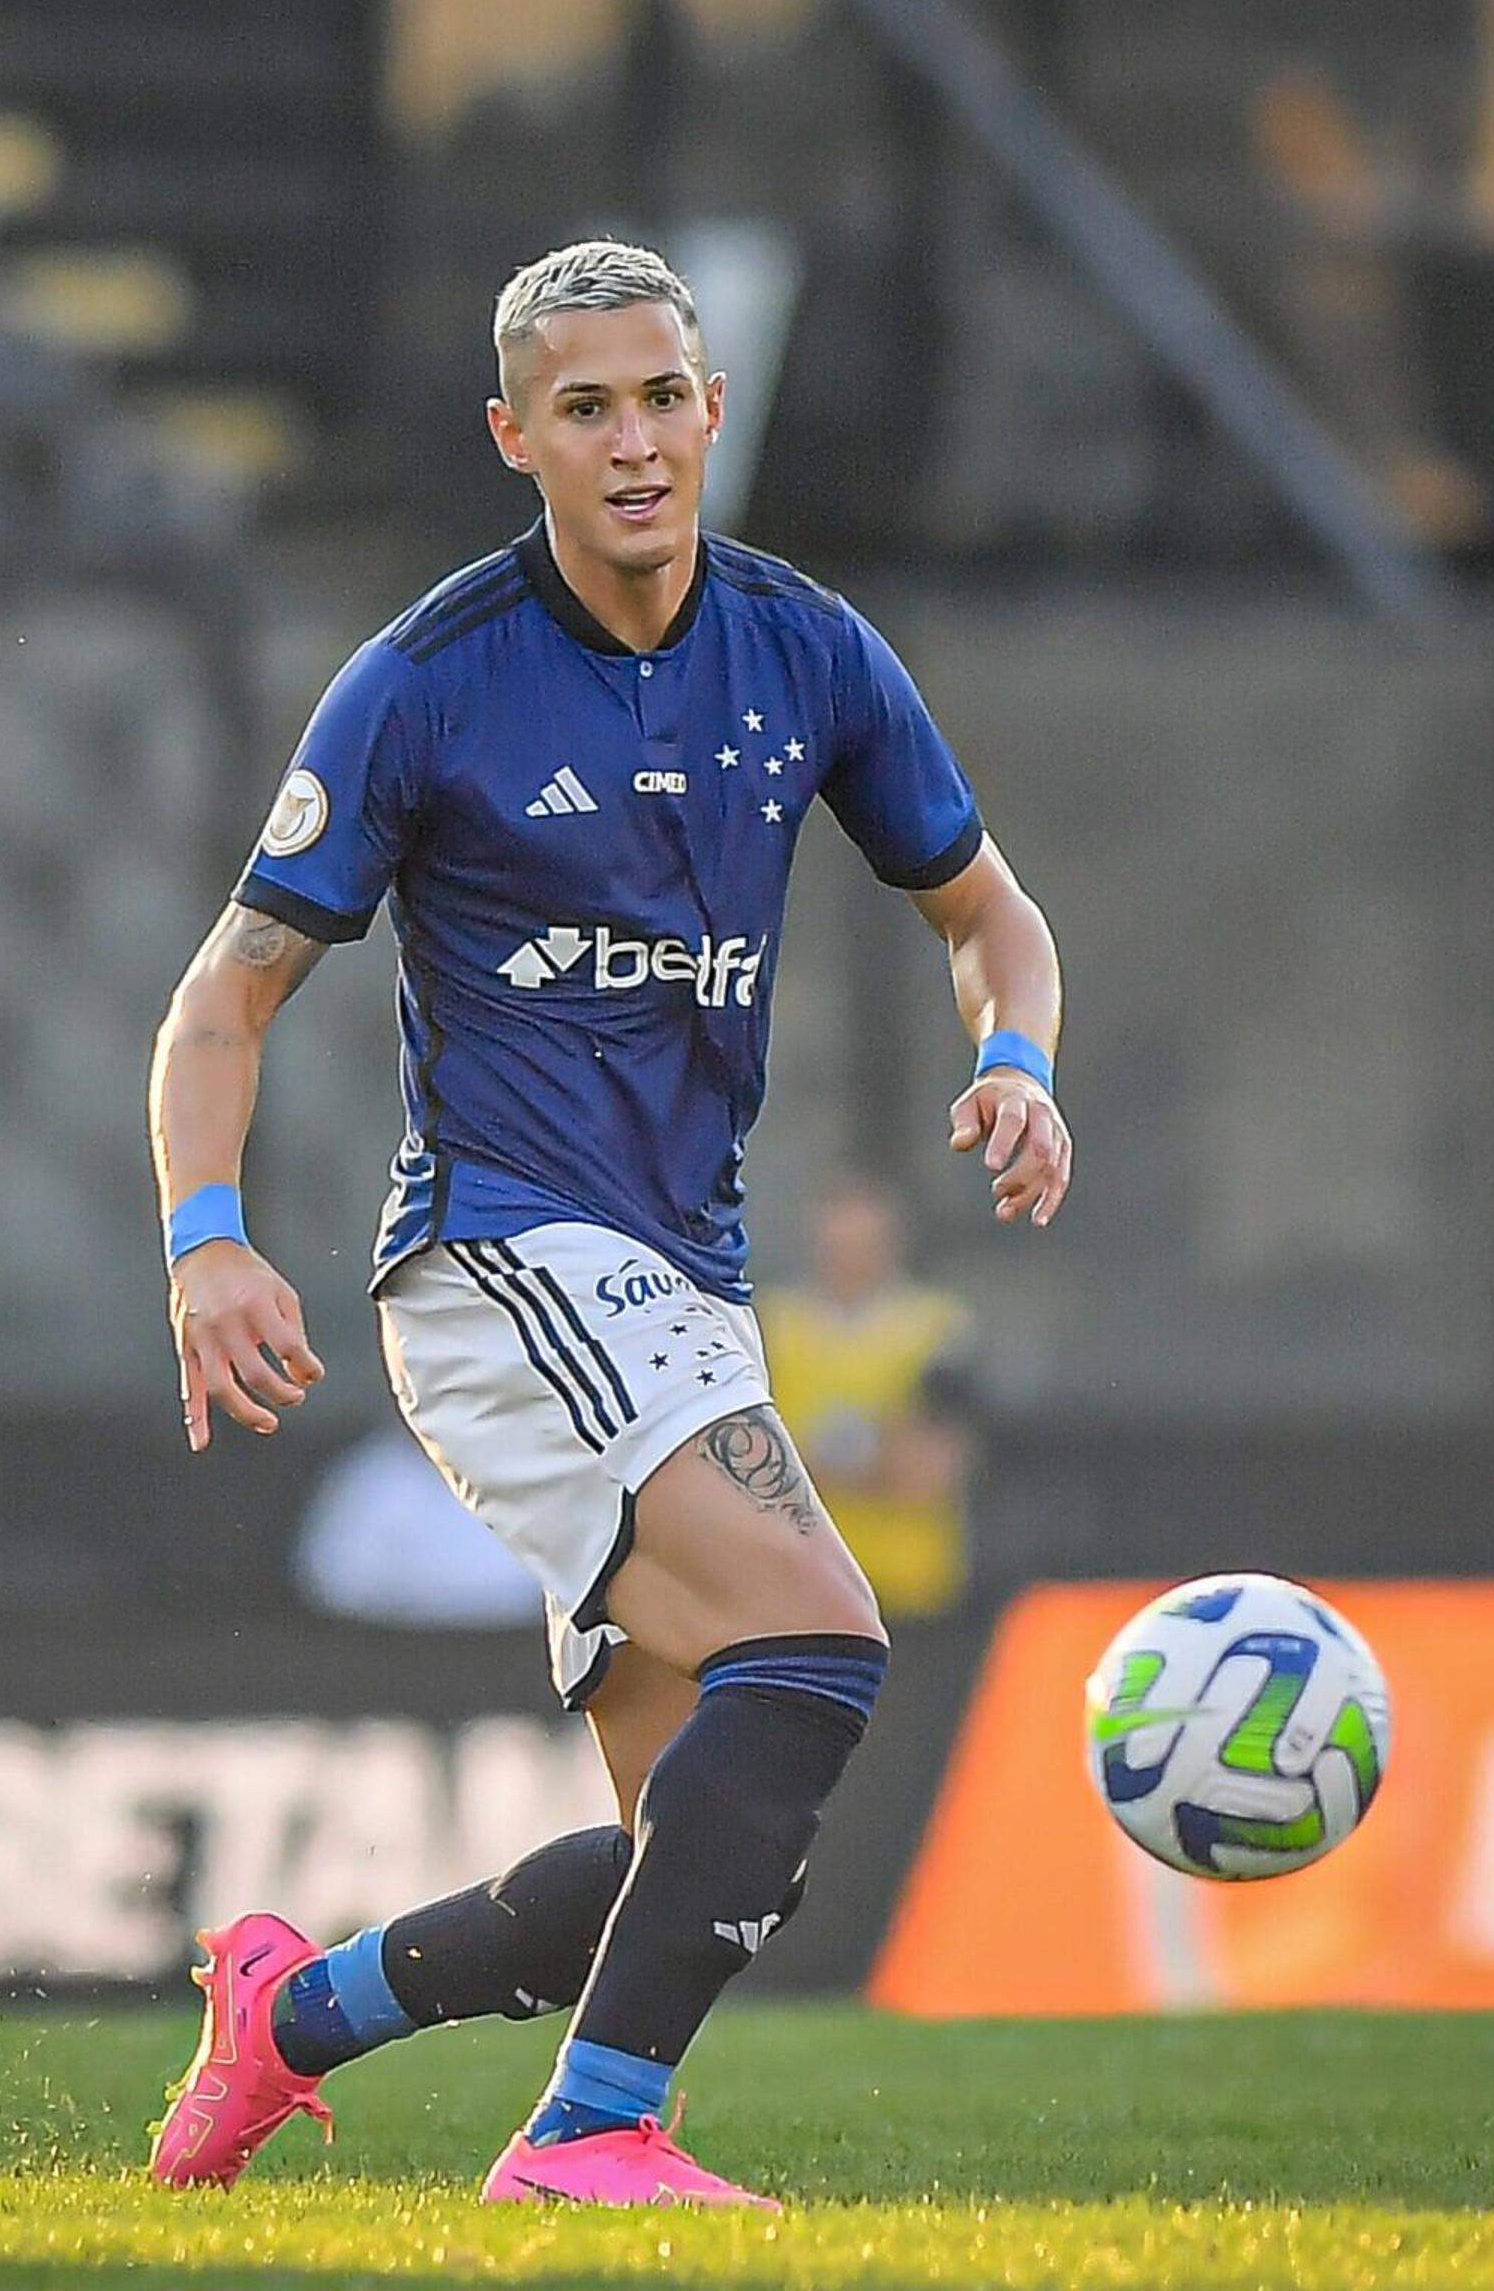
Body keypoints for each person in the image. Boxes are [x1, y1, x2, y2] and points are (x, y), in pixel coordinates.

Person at [142, 240, 1070, 2207]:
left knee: (712, 1851)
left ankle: (289, 2021)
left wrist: (1026, 1060)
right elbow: (224, 997)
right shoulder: (427, 679)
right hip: (504, 1263)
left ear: (714, 408)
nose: (633, 440)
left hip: (680, 1286)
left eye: (662, 396)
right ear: (516, 439)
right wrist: (208, 1235)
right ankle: (591, 2135)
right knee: (821, 1643)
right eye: (585, 408)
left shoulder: (808, 652)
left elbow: (993, 916)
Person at [756, 1179, 977, 1620]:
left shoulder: (937, 1331)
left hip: (908, 1589)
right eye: (837, 1245)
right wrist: (881, 1457)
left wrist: (811, 1466)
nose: (849, 1261)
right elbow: (740, 1469)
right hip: (797, 1590)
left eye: (863, 1245)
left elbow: (928, 1470)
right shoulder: (770, 1327)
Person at [293, 1419, 546, 1630]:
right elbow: (334, 1580)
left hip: (510, 1655)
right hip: (391, 1655)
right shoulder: (375, 1476)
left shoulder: (529, 1474)